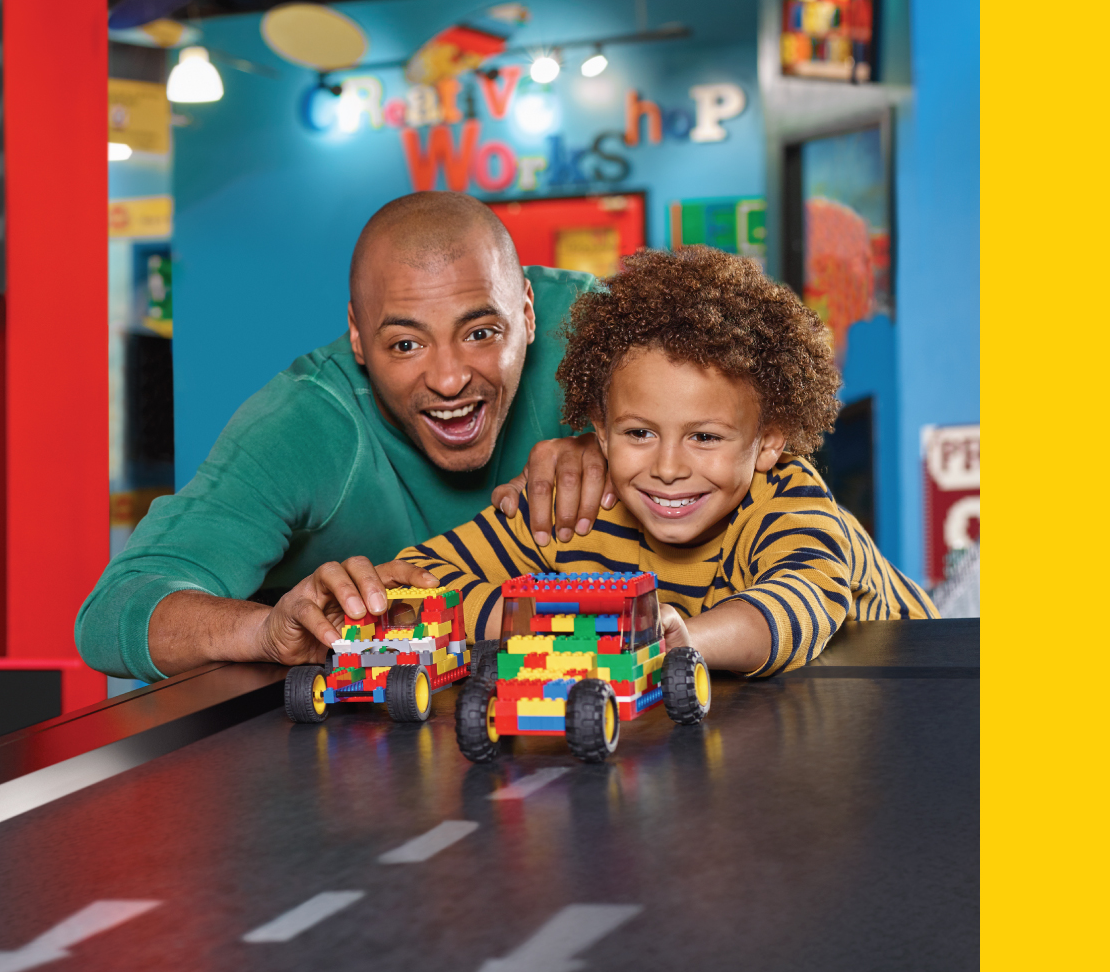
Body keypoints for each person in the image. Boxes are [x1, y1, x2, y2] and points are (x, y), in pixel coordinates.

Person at [74, 192, 603, 682]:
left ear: (529, 313)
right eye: (405, 344)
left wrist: (620, 441)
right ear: (357, 336)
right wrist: (263, 630)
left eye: (480, 334)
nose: (449, 379)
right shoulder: (305, 423)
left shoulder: (592, 330)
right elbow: (113, 612)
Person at [392, 245, 935, 676]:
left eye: (704, 437)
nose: (668, 467)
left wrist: (680, 636)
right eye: (639, 433)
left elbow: (798, 603)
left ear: (769, 441)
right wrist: (559, 619)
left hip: (932, 672)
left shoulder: (788, 503)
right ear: (600, 433)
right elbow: (417, 584)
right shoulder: (575, 506)